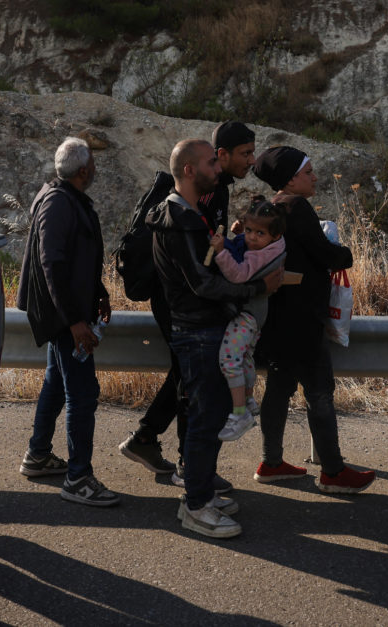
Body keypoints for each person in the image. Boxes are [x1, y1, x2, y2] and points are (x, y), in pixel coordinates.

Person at [148, 138, 282, 538]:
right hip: (199, 330)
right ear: (189, 170)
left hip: (202, 328)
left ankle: (200, 491)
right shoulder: (182, 219)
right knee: (206, 420)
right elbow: (204, 284)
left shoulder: (184, 212)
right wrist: (259, 289)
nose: (217, 168)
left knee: (208, 416)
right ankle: (196, 506)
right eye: (210, 163)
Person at [118, 121, 257, 488]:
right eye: (244, 154)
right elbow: (198, 260)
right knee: (192, 377)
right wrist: (245, 288)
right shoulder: (207, 192)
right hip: (180, 296)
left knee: (185, 372)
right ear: (220, 156)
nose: (251, 161)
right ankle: (188, 468)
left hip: (180, 292)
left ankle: (148, 440)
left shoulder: (216, 190)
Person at [253, 146, 376, 494]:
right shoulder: (297, 207)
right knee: (320, 391)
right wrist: (345, 252)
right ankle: (333, 472)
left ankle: (271, 462)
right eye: (309, 172)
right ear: (292, 178)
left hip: (276, 318)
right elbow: (325, 254)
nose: (315, 177)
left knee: (279, 389)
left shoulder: (269, 207)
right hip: (302, 321)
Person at [15, 136, 118, 507]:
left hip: (66, 310)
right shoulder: (59, 203)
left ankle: (38, 455)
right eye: (94, 165)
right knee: (82, 393)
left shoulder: (64, 197)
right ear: (84, 170)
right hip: (63, 316)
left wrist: (100, 292)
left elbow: (77, 259)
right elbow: (52, 264)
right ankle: (78, 479)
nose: (96, 171)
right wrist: (75, 321)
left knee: (55, 383)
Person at [208, 196, 288, 441]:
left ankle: (240, 413)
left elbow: (238, 274)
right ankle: (250, 398)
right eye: (250, 230)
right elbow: (248, 244)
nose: (252, 238)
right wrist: (240, 236)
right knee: (244, 358)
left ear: (274, 236)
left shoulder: (259, 256)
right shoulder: (274, 245)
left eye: (259, 234)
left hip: (247, 315)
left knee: (229, 360)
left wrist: (222, 251)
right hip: (258, 315)